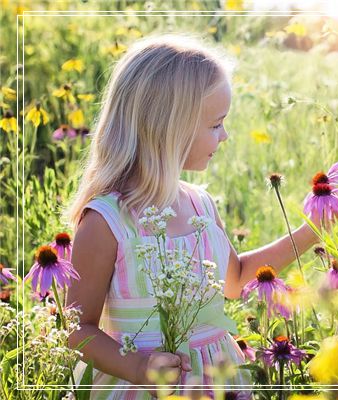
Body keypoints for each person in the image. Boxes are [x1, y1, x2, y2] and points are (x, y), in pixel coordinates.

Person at [64, 33, 323, 399]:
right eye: (216, 124)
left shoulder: (201, 204)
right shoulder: (107, 221)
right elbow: (77, 329)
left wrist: (311, 230)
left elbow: (234, 280)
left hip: (218, 382)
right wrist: (138, 367)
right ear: (170, 129)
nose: (226, 135)